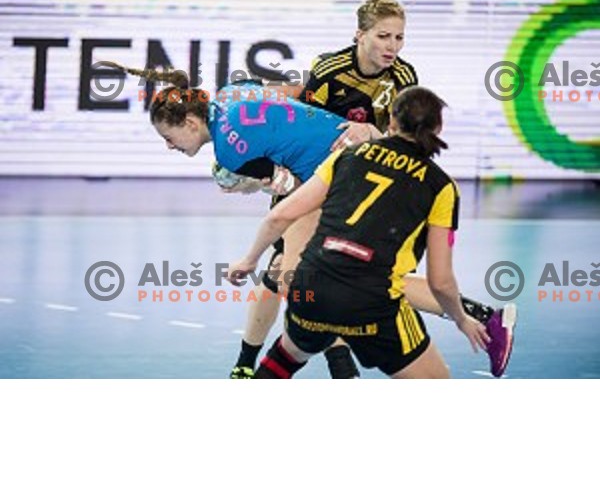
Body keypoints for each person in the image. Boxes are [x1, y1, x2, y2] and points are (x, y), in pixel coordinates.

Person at [100, 57, 516, 379]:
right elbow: (293, 92)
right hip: (361, 144)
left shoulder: (229, 152)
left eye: (169, 138)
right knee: (312, 276)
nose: (170, 147)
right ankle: (474, 319)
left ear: (190, 122)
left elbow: (289, 190)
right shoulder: (231, 91)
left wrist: (242, 183)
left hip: (339, 170)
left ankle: (336, 364)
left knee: (312, 278)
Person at [229, 0, 505, 379]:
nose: (392, 46)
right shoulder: (330, 69)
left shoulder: (404, 78)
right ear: (360, 35)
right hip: (315, 178)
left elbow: (404, 138)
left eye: (399, 38)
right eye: (384, 36)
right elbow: (300, 124)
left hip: (361, 181)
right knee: (285, 272)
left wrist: (370, 135)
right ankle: (251, 363)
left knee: (336, 269)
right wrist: (275, 174)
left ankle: (303, 364)